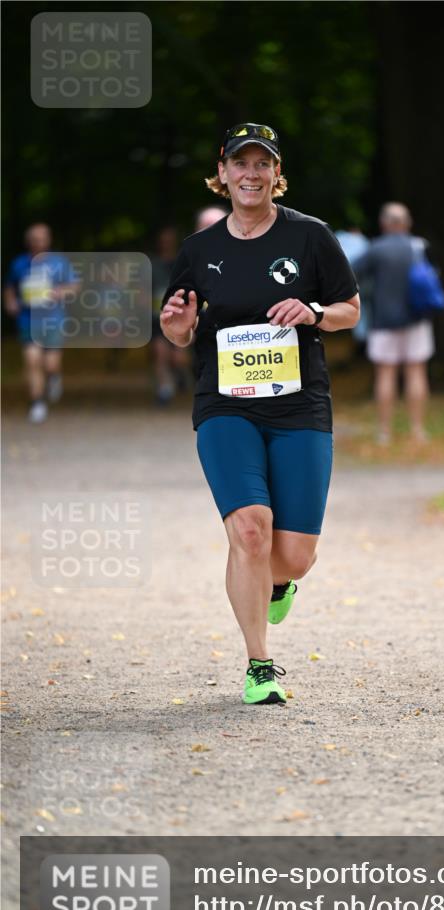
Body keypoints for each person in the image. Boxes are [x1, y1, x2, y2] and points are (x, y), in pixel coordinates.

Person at [160, 123, 360, 706]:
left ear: (277, 174)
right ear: (222, 173)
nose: (251, 174)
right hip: (225, 405)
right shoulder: (199, 251)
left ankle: (277, 582)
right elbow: (180, 328)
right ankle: (260, 664)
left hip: (299, 405)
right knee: (250, 529)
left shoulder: (310, 236)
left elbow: (350, 309)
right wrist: (178, 330)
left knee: (294, 556)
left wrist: (314, 311)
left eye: (262, 164)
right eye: (240, 163)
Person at [354, 203, 435, 445]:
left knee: (385, 374)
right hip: (416, 319)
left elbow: (351, 273)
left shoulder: (375, 249)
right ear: (407, 223)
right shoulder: (419, 246)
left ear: (384, 223)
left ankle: (384, 432)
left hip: (383, 321)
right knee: (416, 372)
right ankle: (418, 430)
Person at [3, 223, 78, 423]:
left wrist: (61, 292)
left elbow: (74, 286)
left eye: (42, 238)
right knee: (32, 360)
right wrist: (10, 302)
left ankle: (53, 377)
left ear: (48, 239)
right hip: (27, 319)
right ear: (28, 241)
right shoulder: (19, 264)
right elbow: (9, 286)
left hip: (53, 319)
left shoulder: (59, 262)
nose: (38, 242)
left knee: (50, 364)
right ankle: (37, 402)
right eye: (34, 239)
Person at [150, 225, 192, 405]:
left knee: (179, 358)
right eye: (163, 240)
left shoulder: (184, 263)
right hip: (157, 317)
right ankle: (164, 389)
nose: (166, 243)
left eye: (169, 240)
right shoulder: (153, 265)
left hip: (181, 316)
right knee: (160, 353)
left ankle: (181, 374)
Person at [334, 225, 371, 347]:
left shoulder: (339, 237)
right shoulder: (363, 241)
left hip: (344, 282)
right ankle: (362, 340)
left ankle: (360, 340)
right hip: (362, 283)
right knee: (362, 311)